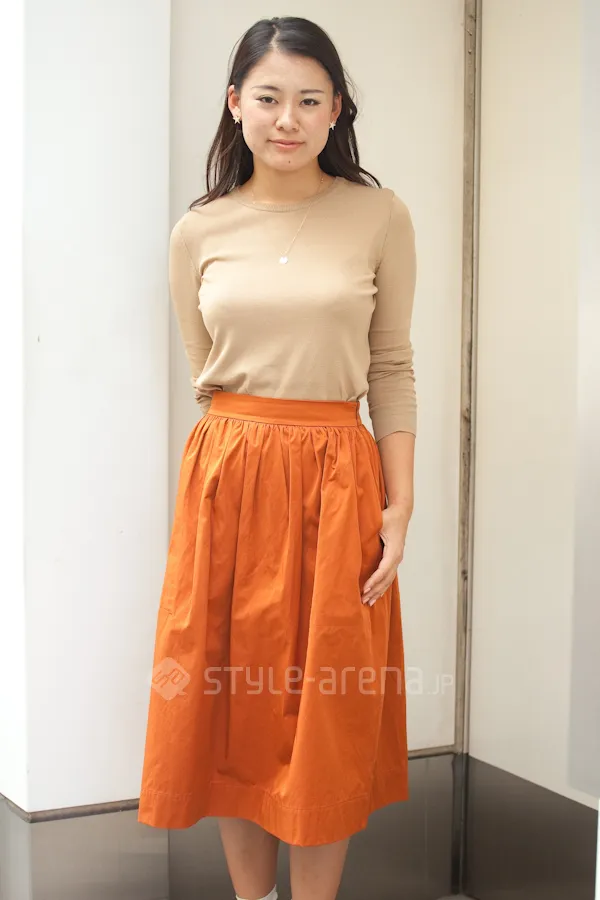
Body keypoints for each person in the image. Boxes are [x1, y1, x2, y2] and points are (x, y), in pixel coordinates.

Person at [137, 15, 417, 900]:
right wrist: (245, 457)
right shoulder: (199, 230)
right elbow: (206, 375)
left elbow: (391, 366)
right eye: (268, 98)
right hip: (229, 479)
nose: (287, 119)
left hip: (340, 478)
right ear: (235, 104)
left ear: (336, 110)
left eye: (308, 99)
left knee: (327, 702)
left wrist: (399, 505)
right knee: (234, 698)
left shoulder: (379, 215)